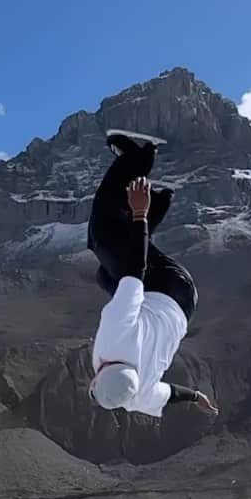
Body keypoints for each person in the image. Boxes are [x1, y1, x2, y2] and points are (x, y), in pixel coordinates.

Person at [87, 131, 218, 418]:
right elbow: (135, 270)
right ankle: (139, 157)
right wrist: (140, 214)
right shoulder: (114, 337)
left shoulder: (137, 397)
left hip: (185, 306)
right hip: (165, 285)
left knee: (104, 275)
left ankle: (161, 201)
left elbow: (170, 393)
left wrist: (197, 397)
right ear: (97, 377)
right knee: (101, 238)